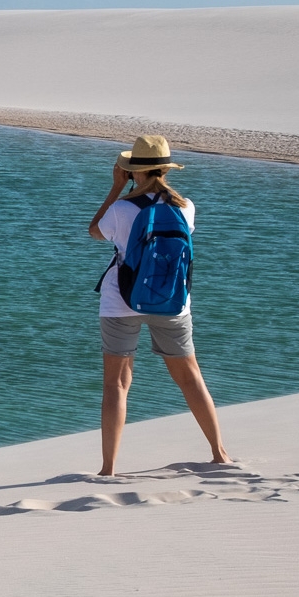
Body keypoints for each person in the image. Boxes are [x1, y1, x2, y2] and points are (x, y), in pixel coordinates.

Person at [87, 135, 232, 476]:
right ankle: (219, 452)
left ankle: (108, 468)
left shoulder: (122, 209)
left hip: (121, 300)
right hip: (173, 299)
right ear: (166, 169)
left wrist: (114, 189)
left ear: (131, 171)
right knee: (190, 378)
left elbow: (95, 231)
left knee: (117, 385)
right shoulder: (185, 207)